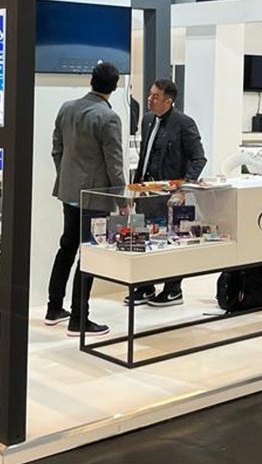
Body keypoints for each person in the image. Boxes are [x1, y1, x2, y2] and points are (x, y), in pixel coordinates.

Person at [46, 61, 126, 337]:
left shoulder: (67, 108)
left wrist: (66, 177)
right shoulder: (108, 117)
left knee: (66, 248)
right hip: (95, 198)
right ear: (115, 86)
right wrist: (121, 198)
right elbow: (114, 163)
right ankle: (79, 318)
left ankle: (54, 308)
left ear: (91, 80)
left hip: (69, 194)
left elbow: (56, 149)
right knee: (89, 256)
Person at [129, 78, 206, 307]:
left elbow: (198, 158)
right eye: (150, 94)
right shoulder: (148, 120)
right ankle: (145, 286)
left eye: (155, 96)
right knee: (143, 239)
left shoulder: (184, 123)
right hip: (146, 191)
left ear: (169, 101)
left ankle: (173, 289)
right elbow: (144, 156)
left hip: (171, 196)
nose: (150, 99)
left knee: (171, 241)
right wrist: (135, 187)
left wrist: (183, 188)